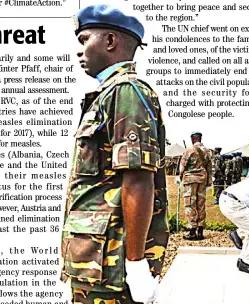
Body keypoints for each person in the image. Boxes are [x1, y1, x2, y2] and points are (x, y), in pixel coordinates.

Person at [61, 5, 168, 304]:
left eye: (84, 40)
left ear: (110, 41)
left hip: (111, 265)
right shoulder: (108, 94)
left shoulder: (126, 92)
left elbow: (137, 180)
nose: (80, 51)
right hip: (94, 260)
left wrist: (135, 264)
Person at [180, 131, 212, 240]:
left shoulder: (189, 150)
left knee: (190, 204)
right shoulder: (207, 151)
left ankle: (192, 231)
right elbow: (209, 168)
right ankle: (200, 231)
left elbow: (182, 166)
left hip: (190, 180)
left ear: (193, 138)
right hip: (202, 179)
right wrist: (209, 181)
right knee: (201, 204)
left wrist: (180, 177)